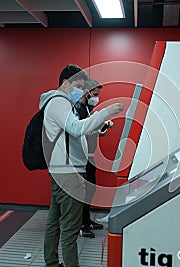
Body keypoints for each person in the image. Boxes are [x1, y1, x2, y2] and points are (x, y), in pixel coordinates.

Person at [41, 64, 124, 267]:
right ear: (64, 83)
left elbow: (74, 133)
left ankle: (51, 263)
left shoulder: (62, 103)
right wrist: (105, 112)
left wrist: (96, 128)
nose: (82, 90)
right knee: (70, 229)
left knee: (55, 223)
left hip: (64, 170)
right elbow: (76, 129)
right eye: (78, 85)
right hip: (69, 172)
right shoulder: (60, 102)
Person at [73, 79, 112, 238]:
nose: (96, 98)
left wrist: (101, 130)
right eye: (94, 94)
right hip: (80, 158)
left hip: (89, 156)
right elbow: (80, 131)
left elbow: (89, 131)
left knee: (90, 190)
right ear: (87, 92)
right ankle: (81, 224)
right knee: (83, 192)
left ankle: (87, 220)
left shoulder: (88, 109)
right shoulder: (77, 109)